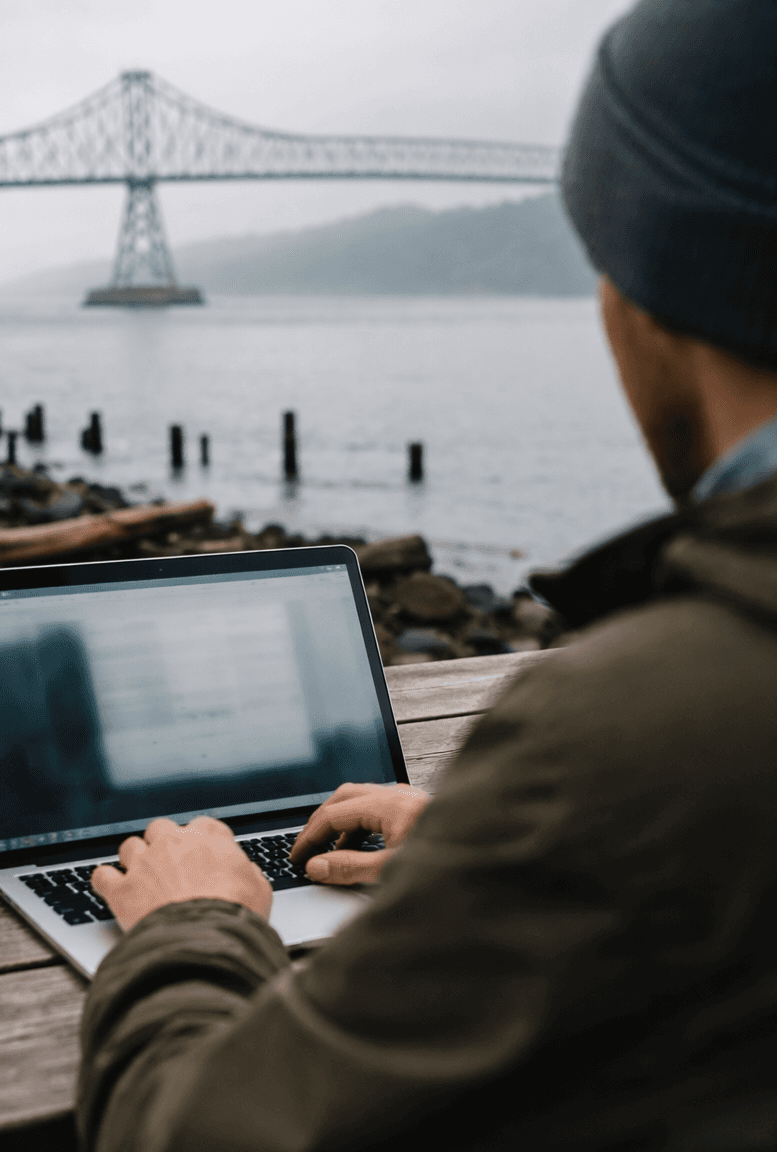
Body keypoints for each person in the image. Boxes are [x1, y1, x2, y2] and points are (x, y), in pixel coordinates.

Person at [76, 3, 777, 1148]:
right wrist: (504, 856)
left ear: (643, 294)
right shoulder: (636, 773)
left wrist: (193, 925)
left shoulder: (627, 734)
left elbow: (197, 1132)